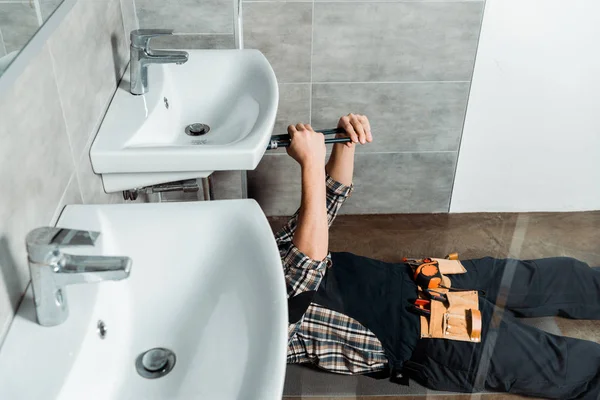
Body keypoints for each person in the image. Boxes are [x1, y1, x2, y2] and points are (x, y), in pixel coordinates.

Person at [276, 113, 600, 400]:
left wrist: (345, 140)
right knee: (575, 366)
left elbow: (326, 201)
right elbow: (308, 260)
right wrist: (310, 166)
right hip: (433, 339)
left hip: (423, 277)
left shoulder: (243, 263)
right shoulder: (248, 327)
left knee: (564, 276)